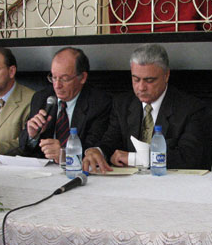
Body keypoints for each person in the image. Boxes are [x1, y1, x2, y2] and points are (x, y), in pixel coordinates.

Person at [82, 43, 205, 172]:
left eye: (149, 80)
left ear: (166, 75)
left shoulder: (190, 108)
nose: (141, 87)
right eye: (136, 79)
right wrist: (98, 151)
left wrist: (134, 159)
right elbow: (110, 141)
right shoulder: (122, 104)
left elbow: (188, 158)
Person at [19, 47, 111, 160]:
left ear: (82, 77)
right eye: (54, 77)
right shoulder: (41, 98)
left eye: (64, 79)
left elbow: (93, 149)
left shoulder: (99, 103)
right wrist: (32, 136)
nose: (57, 85)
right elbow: (24, 147)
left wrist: (65, 153)